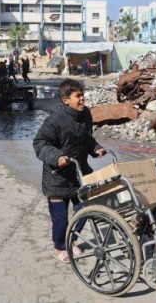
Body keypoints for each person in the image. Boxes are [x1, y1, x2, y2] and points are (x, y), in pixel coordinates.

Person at [33, 79, 106, 263]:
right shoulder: (55, 120)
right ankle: (59, 247)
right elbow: (40, 143)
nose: (83, 99)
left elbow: (87, 139)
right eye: (78, 96)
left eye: (83, 95)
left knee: (86, 208)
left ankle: (71, 239)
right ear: (66, 100)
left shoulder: (85, 114)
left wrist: (95, 148)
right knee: (60, 218)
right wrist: (56, 157)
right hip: (57, 177)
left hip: (80, 173)